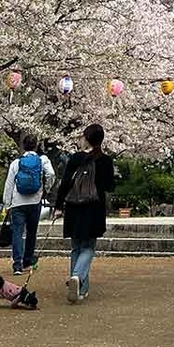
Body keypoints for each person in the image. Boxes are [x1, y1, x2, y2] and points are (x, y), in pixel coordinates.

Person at [53, 124, 115, 304]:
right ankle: (78, 278)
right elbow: (109, 186)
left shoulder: (75, 158)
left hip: (73, 207)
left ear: (86, 138)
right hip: (94, 208)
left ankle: (81, 288)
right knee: (88, 247)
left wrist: (58, 206)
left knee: (76, 247)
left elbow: (65, 183)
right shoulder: (105, 160)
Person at [3, 135, 56, 275]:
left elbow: (9, 184)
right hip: (35, 201)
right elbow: (51, 174)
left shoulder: (16, 162)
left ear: (23, 146)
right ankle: (27, 261)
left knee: (17, 233)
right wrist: (46, 188)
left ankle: (17, 265)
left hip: (18, 203)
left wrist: (7, 203)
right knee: (31, 232)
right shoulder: (42, 160)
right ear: (36, 146)